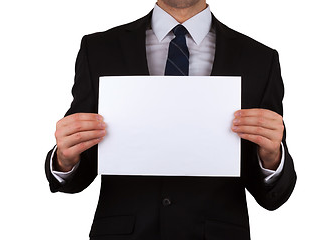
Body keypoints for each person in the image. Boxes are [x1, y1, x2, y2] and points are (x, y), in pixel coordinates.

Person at [45, 0, 297, 239]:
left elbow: (272, 197)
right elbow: (83, 165)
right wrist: (66, 159)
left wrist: (272, 158)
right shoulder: (99, 49)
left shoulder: (260, 59)